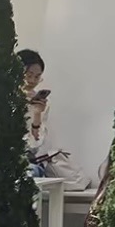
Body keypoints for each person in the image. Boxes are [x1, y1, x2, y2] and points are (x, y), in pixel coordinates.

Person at [19, 47, 91, 189]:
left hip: (28, 160)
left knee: (31, 173)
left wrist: (37, 114)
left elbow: (34, 145)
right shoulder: (3, 98)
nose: (32, 80)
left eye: (37, 76)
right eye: (28, 75)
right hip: (2, 157)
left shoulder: (41, 104)